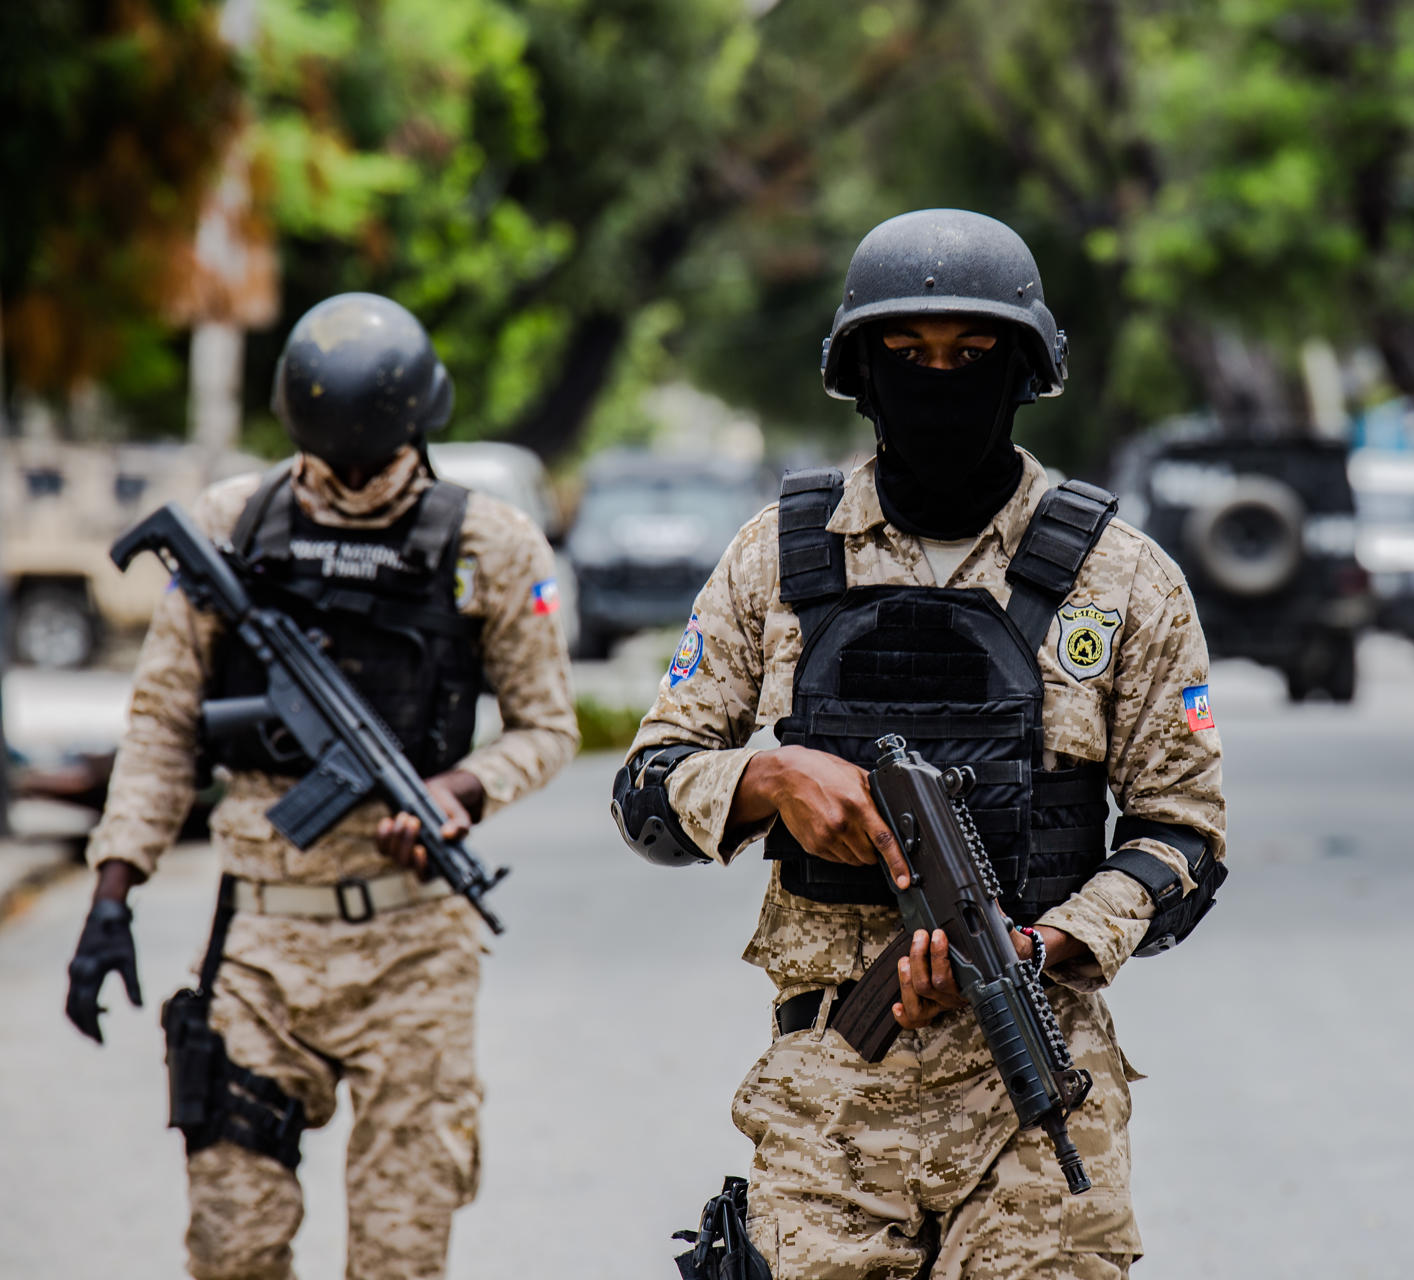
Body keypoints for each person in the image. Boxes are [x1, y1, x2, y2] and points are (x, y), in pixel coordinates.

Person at [613, 208, 1227, 1277]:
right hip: (832, 1098)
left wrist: (1045, 945)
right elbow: (646, 791)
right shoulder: (780, 559)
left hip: (1037, 1089)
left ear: (1023, 367)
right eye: (908, 352)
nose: (940, 377)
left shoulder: (1123, 578)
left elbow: (1185, 841)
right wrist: (769, 774)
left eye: (973, 351)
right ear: (861, 368)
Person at [63, 293, 581, 1279]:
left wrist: (463, 788)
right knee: (232, 1245)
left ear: (416, 427)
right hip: (260, 949)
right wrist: (111, 891)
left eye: (372, 460)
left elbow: (547, 727)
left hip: (416, 953)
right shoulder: (232, 526)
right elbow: (164, 725)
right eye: (331, 460)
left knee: (398, 1255)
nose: (349, 484)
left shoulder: (491, 543)